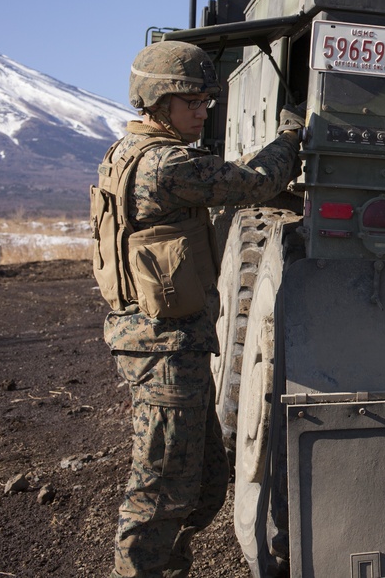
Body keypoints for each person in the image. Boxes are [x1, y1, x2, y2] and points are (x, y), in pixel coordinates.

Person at [96, 40, 303, 577]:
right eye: (191, 100)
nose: (203, 110)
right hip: (165, 349)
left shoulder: (129, 152)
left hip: (166, 345)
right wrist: (291, 136)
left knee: (205, 482)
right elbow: (257, 183)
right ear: (158, 102)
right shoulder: (167, 166)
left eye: (207, 100)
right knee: (161, 490)